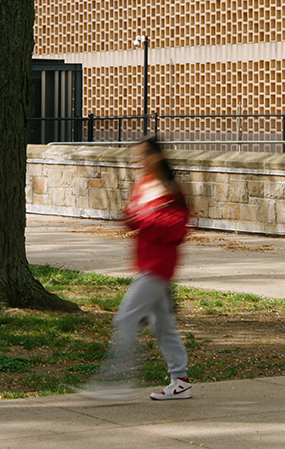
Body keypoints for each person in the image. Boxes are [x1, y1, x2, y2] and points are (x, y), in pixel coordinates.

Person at [84, 136, 194, 402]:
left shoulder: (170, 190)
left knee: (125, 318)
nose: (137, 161)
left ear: (156, 157)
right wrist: (132, 219)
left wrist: (143, 219)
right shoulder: (143, 185)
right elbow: (136, 219)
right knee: (163, 326)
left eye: (142, 155)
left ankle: (118, 380)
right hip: (147, 265)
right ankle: (180, 380)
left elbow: (177, 229)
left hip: (159, 267)